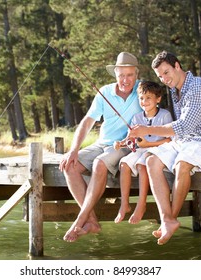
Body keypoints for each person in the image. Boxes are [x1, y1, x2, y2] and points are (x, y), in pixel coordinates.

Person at [128, 51, 201, 245]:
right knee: (151, 160)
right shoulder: (176, 90)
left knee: (182, 164)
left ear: (177, 65)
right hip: (188, 140)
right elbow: (182, 132)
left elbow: (183, 126)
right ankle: (167, 218)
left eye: (166, 72)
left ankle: (170, 219)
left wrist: (146, 129)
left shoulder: (197, 86)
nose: (164, 79)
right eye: (160, 76)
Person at [59, 52, 142, 242]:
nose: (125, 80)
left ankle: (80, 220)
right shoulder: (105, 92)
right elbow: (87, 121)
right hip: (102, 143)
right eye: (121, 75)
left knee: (99, 163)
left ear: (136, 75)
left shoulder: (142, 90)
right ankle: (92, 221)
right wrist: (73, 150)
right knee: (69, 166)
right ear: (115, 74)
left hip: (127, 146)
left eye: (130, 75)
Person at [113, 81, 172, 224]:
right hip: (142, 149)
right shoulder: (137, 118)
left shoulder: (165, 115)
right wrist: (121, 143)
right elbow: (131, 139)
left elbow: (170, 140)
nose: (144, 102)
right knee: (124, 164)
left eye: (148, 98)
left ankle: (141, 205)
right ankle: (124, 204)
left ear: (158, 99)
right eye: (141, 98)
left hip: (159, 149)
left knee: (142, 164)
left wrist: (149, 144)